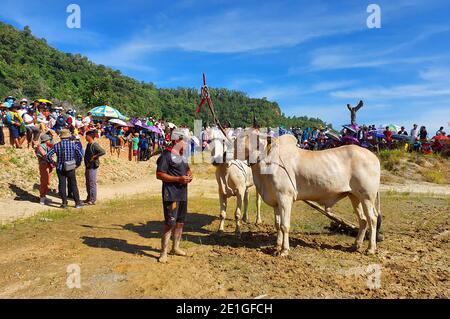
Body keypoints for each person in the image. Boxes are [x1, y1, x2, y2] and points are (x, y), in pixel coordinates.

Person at [156, 129, 193, 263]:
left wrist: (189, 175)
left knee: (180, 222)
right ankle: (163, 252)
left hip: (183, 194)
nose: (186, 144)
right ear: (176, 140)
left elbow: (187, 169)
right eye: (185, 141)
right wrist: (178, 179)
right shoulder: (166, 155)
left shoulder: (182, 156)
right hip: (171, 195)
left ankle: (175, 247)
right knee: (169, 223)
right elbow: (159, 174)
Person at [46, 129, 84, 209]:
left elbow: (48, 156)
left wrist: (54, 163)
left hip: (60, 167)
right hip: (71, 167)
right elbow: (80, 156)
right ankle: (77, 202)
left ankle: (64, 203)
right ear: (68, 136)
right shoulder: (73, 145)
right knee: (73, 184)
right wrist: (77, 164)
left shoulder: (56, 145)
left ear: (61, 137)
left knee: (62, 185)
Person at [84, 130, 106, 205]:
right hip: (88, 166)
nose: (85, 137)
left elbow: (103, 151)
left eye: (86, 136)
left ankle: (92, 200)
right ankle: (89, 198)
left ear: (89, 136)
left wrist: (95, 156)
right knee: (88, 183)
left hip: (92, 166)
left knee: (92, 183)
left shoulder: (94, 144)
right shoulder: (88, 144)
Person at [35, 134, 54, 205]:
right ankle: (42, 197)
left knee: (48, 181)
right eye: (48, 139)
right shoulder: (40, 147)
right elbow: (45, 155)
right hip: (44, 165)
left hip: (49, 165)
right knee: (44, 181)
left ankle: (44, 195)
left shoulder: (48, 146)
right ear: (46, 140)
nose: (50, 140)